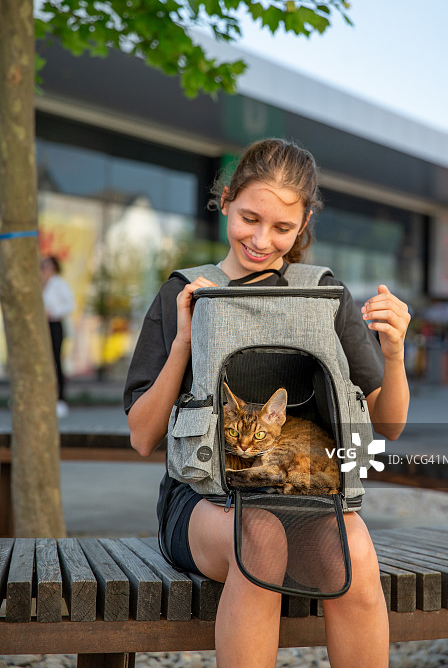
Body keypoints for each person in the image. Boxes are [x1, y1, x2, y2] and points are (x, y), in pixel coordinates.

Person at [124, 138, 411, 668]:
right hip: (203, 503)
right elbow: (143, 437)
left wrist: (393, 353)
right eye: (249, 218)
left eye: (282, 228)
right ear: (226, 199)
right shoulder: (185, 292)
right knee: (261, 538)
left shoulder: (326, 295)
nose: (261, 239)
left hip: (303, 492)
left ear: (304, 224)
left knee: (358, 552)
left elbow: (389, 423)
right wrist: (186, 341)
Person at [40, 255, 75, 417]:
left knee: (55, 360)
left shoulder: (60, 284)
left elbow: (70, 304)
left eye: (46, 265)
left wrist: (53, 313)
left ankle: (60, 398)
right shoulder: (38, 283)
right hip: (41, 325)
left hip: (54, 324)